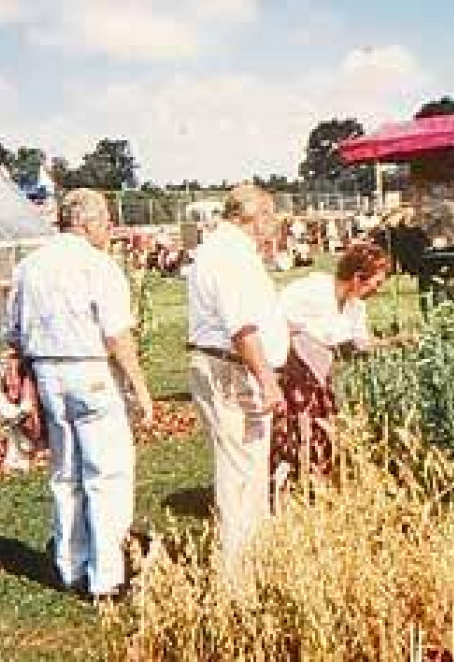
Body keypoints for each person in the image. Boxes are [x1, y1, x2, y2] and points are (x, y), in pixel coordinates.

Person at [1, 188, 154, 600]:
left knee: (65, 472)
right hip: (91, 371)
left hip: (49, 375)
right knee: (107, 475)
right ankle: (107, 577)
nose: (108, 230)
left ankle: (70, 566)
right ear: (87, 224)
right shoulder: (98, 267)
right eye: (105, 222)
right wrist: (141, 389)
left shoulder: (28, 266)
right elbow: (117, 335)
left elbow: (13, 333)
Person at [186, 183, 289, 571]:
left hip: (232, 366)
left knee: (249, 466)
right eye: (270, 215)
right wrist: (267, 379)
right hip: (232, 369)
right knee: (240, 470)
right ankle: (237, 573)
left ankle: (254, 558)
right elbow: (241, 327)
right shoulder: (229, 255)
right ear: (254, 216)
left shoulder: (229, 250)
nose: (274, 224)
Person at [271, 244, 392, 481]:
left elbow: (357, 345)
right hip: (291, 369)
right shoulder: (312, 291)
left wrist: (395, 343)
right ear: (358, 278)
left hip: (319, 373)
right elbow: (273, 320)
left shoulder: (355, 307)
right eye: (375, 284)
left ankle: (310, 481)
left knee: (322, 428)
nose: (377, 291)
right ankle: (285, 481)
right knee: (294, 429)